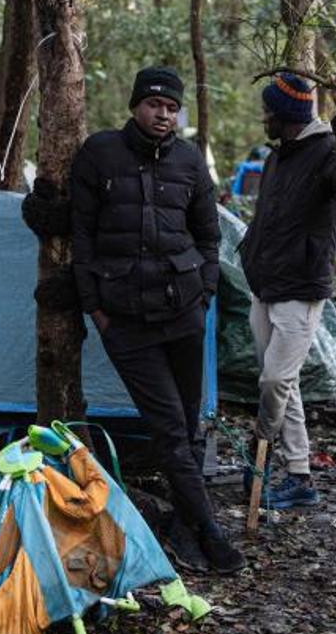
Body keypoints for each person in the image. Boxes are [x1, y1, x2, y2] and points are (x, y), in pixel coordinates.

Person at [71, 66, 246, 575]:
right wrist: (96, 310)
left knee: (188, 426)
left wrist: (205, 294)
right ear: (135, 106)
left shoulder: (190, 162)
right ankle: (212, 536)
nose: (163, 115)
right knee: (170, 427)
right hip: (125, 321)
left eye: (171, 108)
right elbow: (81, 237)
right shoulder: (100, 153)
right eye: (154, 106)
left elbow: (209, 237)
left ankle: (186, 522)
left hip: (183, 314)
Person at [239, 72, 336, 509]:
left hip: (300, 287)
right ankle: (300, 477)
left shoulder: (326, 150)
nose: (264, 117)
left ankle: (262, 445)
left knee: (275, 380)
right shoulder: (279, 157)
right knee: (283, 384)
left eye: (268, 110)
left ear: (287, 115)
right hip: (266, 284)